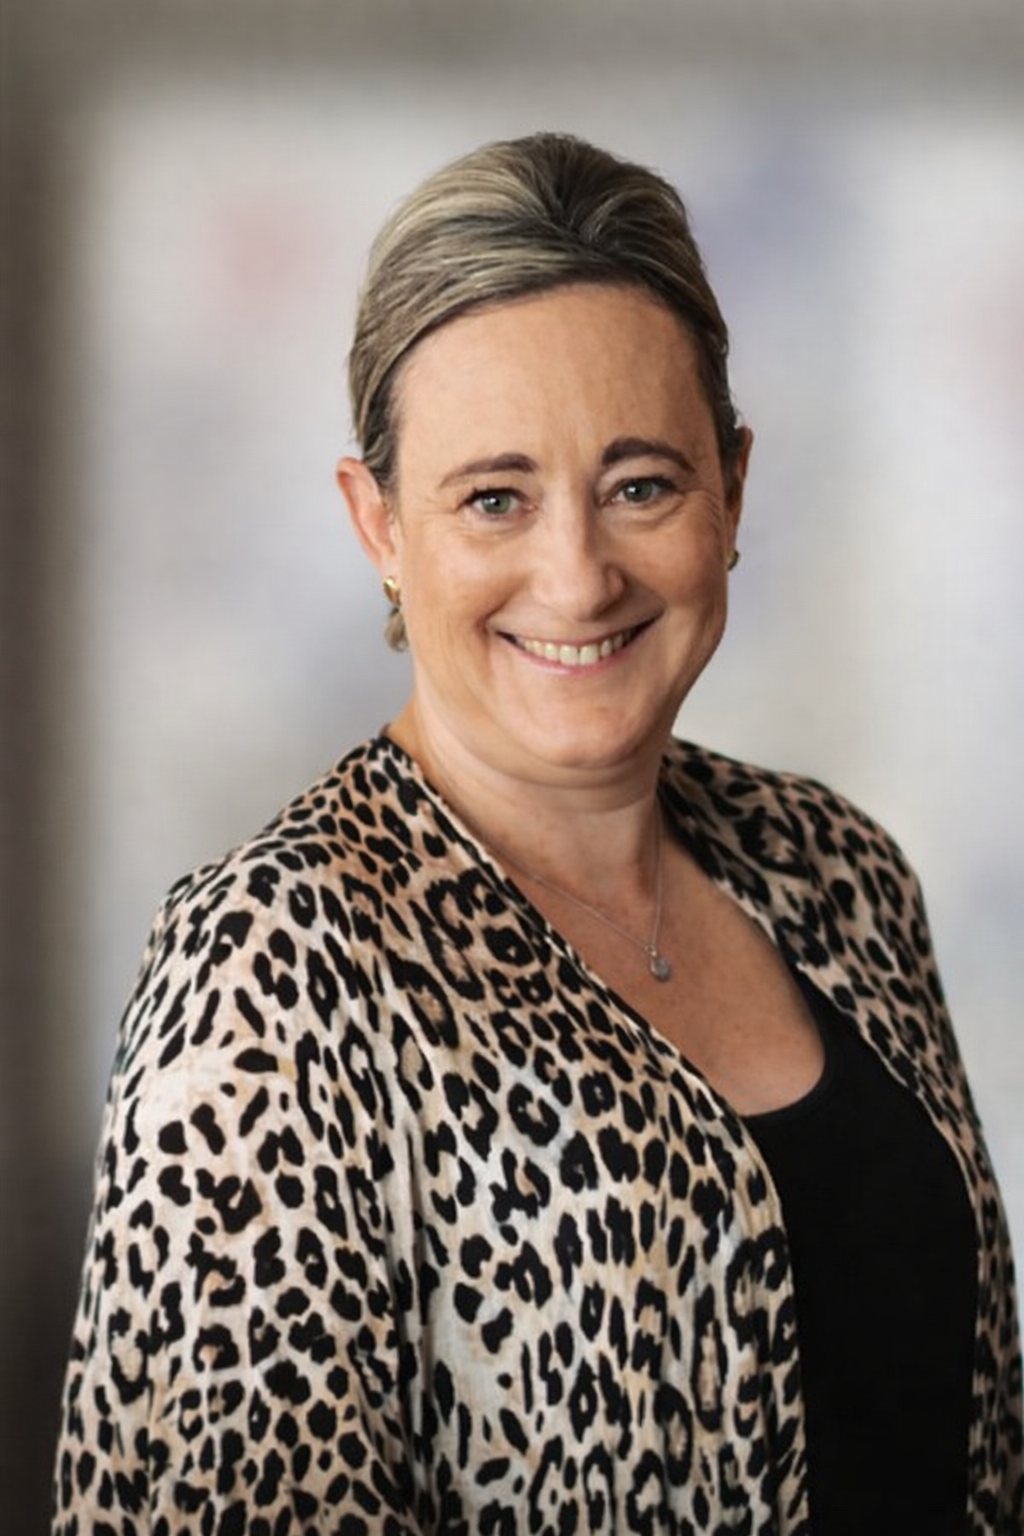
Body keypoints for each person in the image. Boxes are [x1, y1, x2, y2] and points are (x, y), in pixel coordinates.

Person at [53, 132, 1021, 1536]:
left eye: (641, 484)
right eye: (493, 497)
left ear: (734, 492)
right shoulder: (271, 966)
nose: (576, 575)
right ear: (378, 523)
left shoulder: (843, 872)